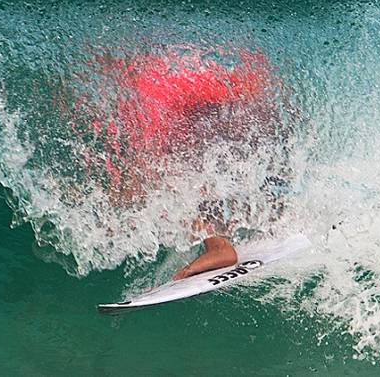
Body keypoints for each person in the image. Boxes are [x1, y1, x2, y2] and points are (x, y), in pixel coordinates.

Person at [78, 46, 286, 280]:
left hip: (229, 112)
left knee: (180, 180)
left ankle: (218, 246)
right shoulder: (152, 72)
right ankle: (277, 212)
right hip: (252, 103)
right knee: (211, 165)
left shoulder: (143, 101)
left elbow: (148, 171)